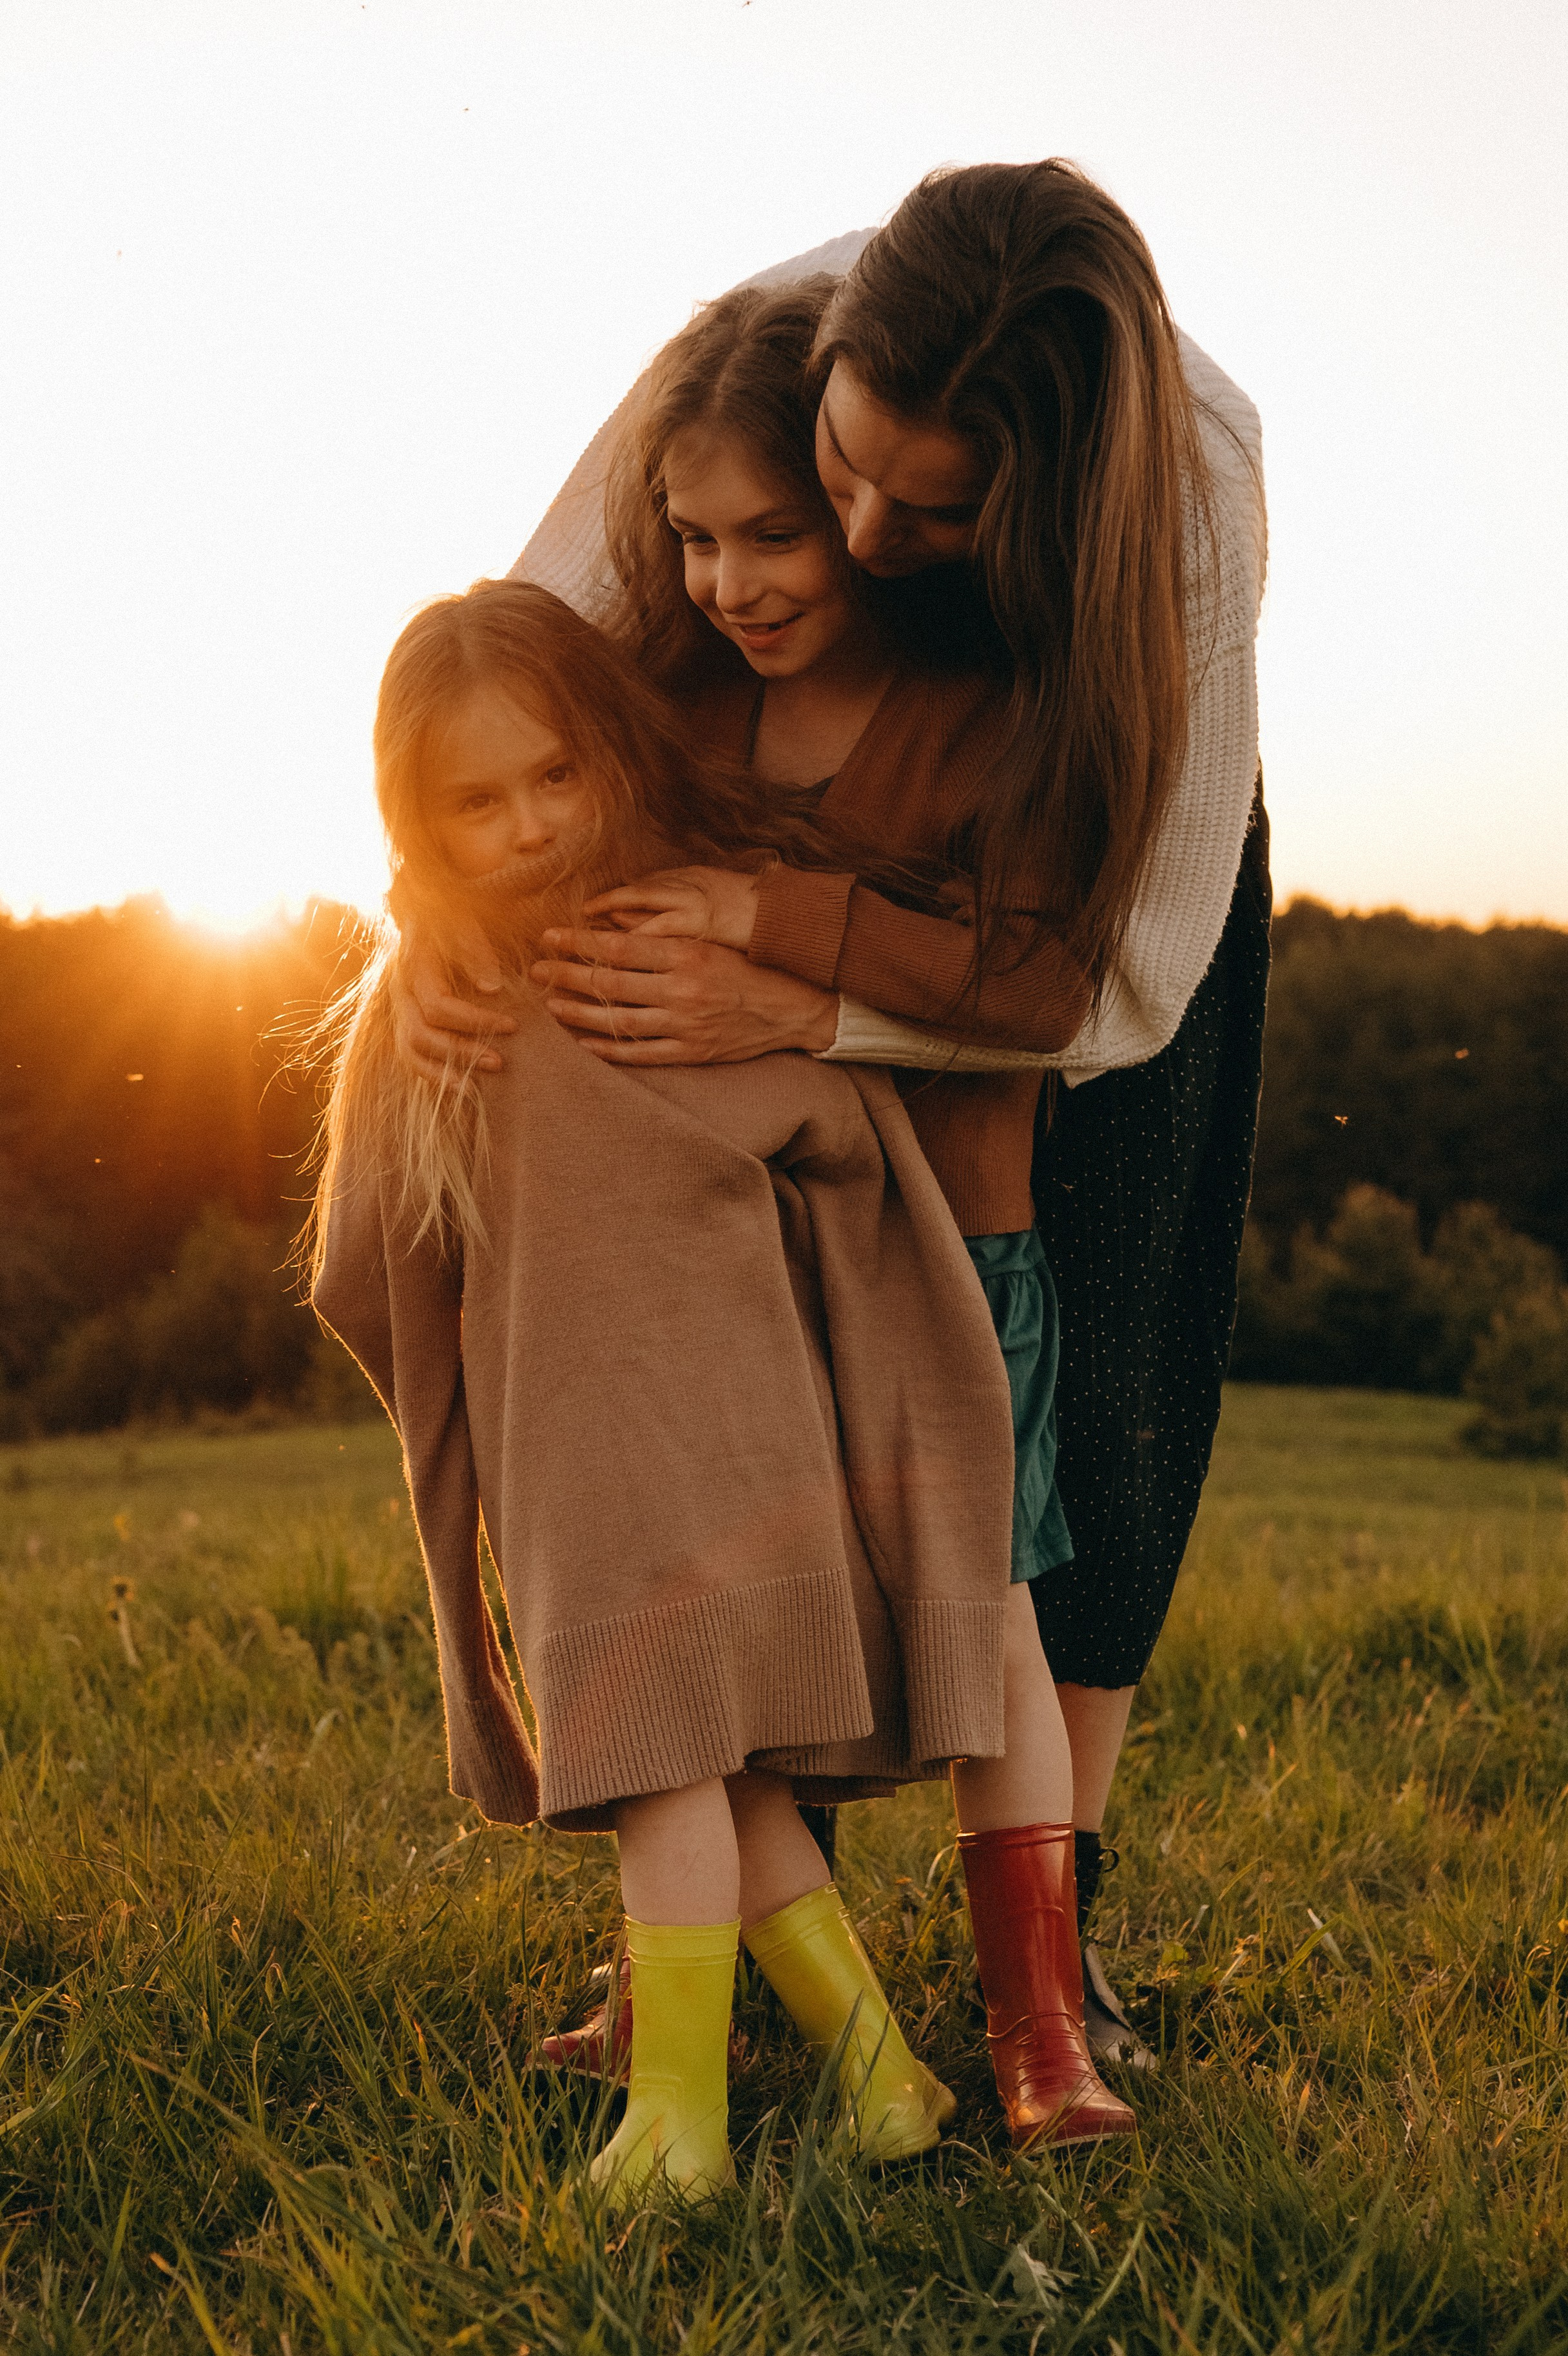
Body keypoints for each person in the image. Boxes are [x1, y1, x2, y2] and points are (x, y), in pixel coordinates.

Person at [401, 160, 1268, 2067]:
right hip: (775, 991)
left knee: (1072, 1432)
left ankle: (1051, 1959)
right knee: (734, 1466)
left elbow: (1106, 984)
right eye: (833, 474)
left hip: (1065, 948)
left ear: (1038, 505)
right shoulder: (742, 369)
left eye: (925, 512)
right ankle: (716, 1939)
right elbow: (510, 673)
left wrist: (798, 975)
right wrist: (439, 918)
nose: (860, 537)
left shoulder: (1185, 488)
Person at [310, 575, 1125, 2206]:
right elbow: (375, 1242)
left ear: (611, 753)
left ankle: (674, 2126)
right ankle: (879, 2081)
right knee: (733, 1780)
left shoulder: (645, 952)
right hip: (663, 1452)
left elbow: (361, 1267)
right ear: (416, 819)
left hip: (655, 1461)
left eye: (556, 774)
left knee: (651, 1783)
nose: (530, 824)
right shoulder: (444, 1006)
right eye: (478, 801)